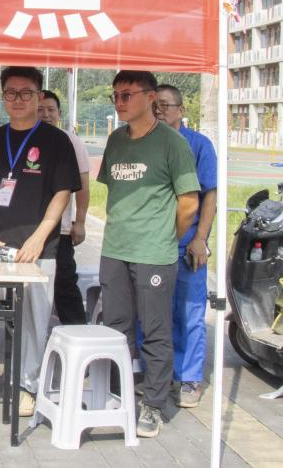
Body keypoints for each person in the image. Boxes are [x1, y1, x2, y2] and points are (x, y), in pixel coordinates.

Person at [0, 67, 80, 416]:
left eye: (26, 93)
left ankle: (27, 385)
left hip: (38, 249)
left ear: (39, 97)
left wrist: (40, 238)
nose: (18, 99)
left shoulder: (57, 142)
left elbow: (63, 193)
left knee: (34, 318)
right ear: (3, 96)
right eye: (11, 92)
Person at [98, 70, 200, 438]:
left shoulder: (172, 143)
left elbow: (189, 203)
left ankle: (154, 405)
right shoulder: (115, 140)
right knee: (116, 329)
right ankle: (117, 394)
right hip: (114, 249)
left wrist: (164, 237)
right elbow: (112, 194)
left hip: (154, 254)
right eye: (115, 96)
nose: (119, 102)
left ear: (150, 97)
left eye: (126, 95)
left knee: (155, 332)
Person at [154, 84, 217, 409]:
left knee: (189, 312)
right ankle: (157, 376)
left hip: (186, 245)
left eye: (166, 105)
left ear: (181, 109)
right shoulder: (147, 143)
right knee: (152, 314)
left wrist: (200, 238)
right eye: (155, 105)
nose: (160, 111)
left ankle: (189, 377)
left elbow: (210, 195)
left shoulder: (199, 145)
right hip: (152, 246)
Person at [38, 90, 90, 325]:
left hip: (60, 232)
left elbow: (83, 186)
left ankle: (78, 332)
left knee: (64, 285)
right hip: (26, 229)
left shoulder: (71, 141)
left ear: (59, 113)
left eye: (51, 110)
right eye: (40, 110)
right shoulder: (23, 140)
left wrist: (80, 222)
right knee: (26, 287)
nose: (46, 115)